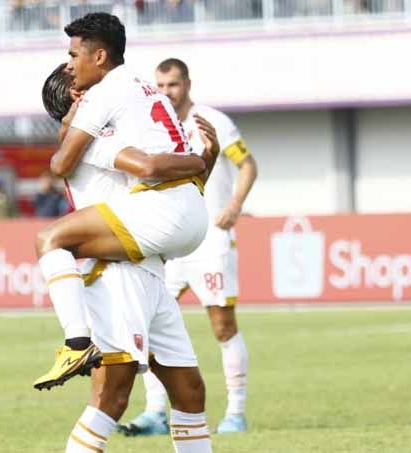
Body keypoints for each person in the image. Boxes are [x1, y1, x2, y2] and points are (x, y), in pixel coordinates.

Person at [32, 15, 222, 393]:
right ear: (77, 98)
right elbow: (149, 166)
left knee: (187, 395)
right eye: (70, 62)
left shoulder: (92, 132)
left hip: (141, 260)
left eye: (73, 55)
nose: (73, 63)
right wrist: (198, 160)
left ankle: (77, 343)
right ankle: (76, 343)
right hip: (117, 271)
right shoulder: (94, 141)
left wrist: (203, 160)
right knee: (110, 399)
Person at [119, 57, 258, 436]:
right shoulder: (153, 126)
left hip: (210, 239)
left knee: (222, 325)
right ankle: (154, 412)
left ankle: (235, 413)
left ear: (188, 85)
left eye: (173, 85)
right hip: (168, 243)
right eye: (160, 86)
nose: (166, 92)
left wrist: (234, 206)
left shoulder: (211, 121)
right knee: (146, 324)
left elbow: (247, 165)